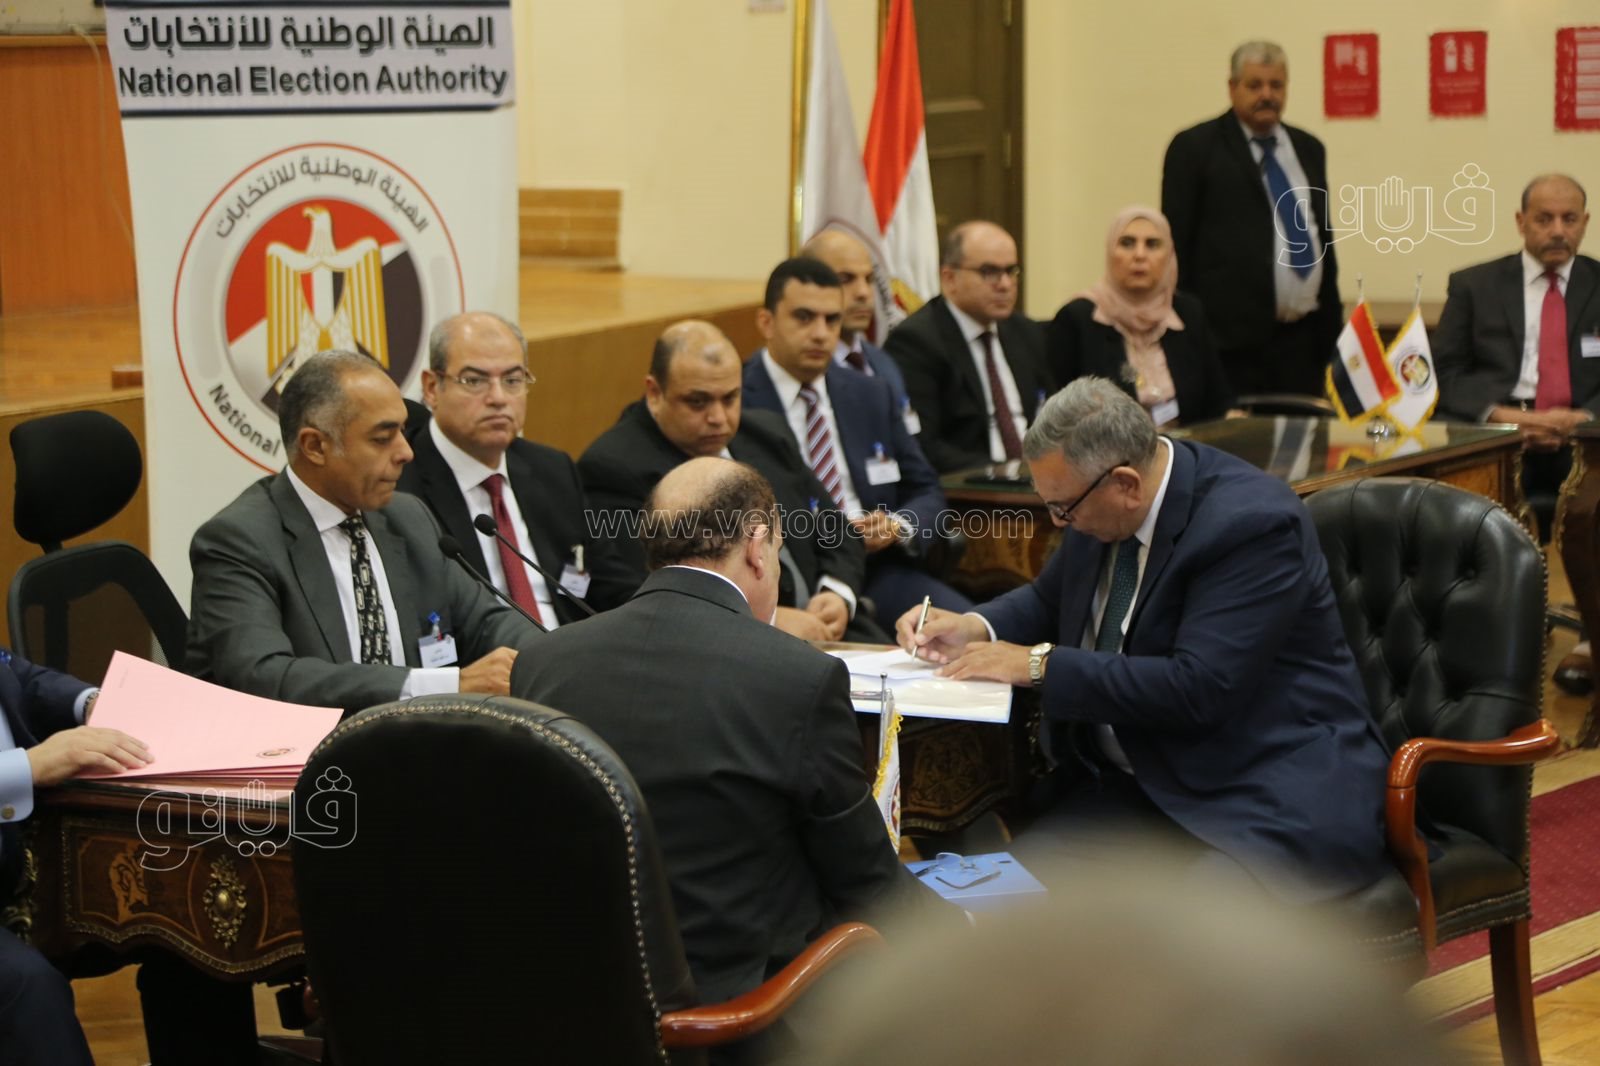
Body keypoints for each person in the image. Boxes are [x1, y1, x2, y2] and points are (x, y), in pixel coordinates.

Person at [896, 378, 1390, 901]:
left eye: (1064, 509)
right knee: (991, 906)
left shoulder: (1250, 523)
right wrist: (975, 626)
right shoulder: (1098, 503)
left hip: (1259, 791)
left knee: (1172, 931)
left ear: (1125, 484)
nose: (1059, 522)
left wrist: (1037, 664)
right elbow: (1050, 599)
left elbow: (1197, 689)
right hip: (1135, 790)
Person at [511, 458, 937, 1060]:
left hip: (578, 1009)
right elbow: (867, 882)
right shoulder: (799, 677)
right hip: (745, 1019)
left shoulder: (542, 663)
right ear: (758, 546)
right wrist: (970, 932)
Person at [186, 350, 537, 713]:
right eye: (383, 438)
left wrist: (547, 657)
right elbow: (264, 677)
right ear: (315, 446)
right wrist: (448, 686)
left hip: (419, 738)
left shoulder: (408, 517)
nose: (406, 452)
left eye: (403, 431)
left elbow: (488, 622)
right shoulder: (239, 541)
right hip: (309, 745)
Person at [579, 320, 875, 642]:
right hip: (719, 643)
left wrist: (836, 591)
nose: (718, 418)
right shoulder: (615, 467)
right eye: (698, 402)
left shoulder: (767, 433)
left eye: (730, 398)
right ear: (654, 393)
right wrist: (766, 619)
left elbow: (835, 527)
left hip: (829, 629)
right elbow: (639, 593)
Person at [1433, 173, 1597, 691]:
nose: (1557, 230)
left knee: (1594, 509)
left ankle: (1592, 637)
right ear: (1521, 221)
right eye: (1544, 218)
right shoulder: (1473, 284)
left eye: (1569, 219)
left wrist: (1581, 420)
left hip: (1584, 439)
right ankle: (1480, 640)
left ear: (1585, 223)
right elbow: (1444, 374)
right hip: (1498, 437)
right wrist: (1507, 418)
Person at [742, 257, 973, 621]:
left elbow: (927, 489)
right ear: (766, 323)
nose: (821, 333)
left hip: (876, 569)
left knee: (967, 632)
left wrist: (898, 525)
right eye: (804, 317)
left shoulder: (870, 394)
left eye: (832, 319)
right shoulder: (735, 401)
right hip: (785, 580)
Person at [397, 311, 632, 626]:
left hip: (572, 646)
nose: (498, 398)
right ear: (431, 388)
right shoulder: (402, 487)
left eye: (512, 380)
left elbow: (607, 581)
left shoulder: (553, 469)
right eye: (474, 380)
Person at [1162, 40, 1341, 397]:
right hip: (1229, 348)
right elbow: (1176, 247)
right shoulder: (1195, 148)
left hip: (1302, 343)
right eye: (1255, 85)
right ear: (1232, 88)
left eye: (1276, 85)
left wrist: (1332, 332)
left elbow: (1321, 234)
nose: (1267, 95)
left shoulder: (1308, 147)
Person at [0, 652, 147, 1066]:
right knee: (29, 989)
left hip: (24, 869)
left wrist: (89, 702)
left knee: (172, 937)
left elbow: (16, 673)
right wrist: (27, 766)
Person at [883, 220, 1053, 472]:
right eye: (989, 272)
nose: (1005, 284)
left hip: (1037, 478)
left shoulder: (1025, 332)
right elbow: (925, 445)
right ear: (949, 278)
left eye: (1011, 271)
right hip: (970, 484)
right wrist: (1007, 472)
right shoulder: (916, 341)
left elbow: (1052, 415)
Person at [1048, 206, 1235, 427]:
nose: (1139, 255)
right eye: (1127, 243)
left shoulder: (1188, 313)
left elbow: (1218, 403)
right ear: (1110, 251)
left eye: (1152, 244)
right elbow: (1058, 417)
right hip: (1106, 448)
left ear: (1169, 254)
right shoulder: (1078, 319)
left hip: (1185, 445)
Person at [799, 228, 917, 425]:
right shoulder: (803, 368)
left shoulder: (884, 363)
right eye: (845, 279)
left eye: (869, 280)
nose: (864, 293)